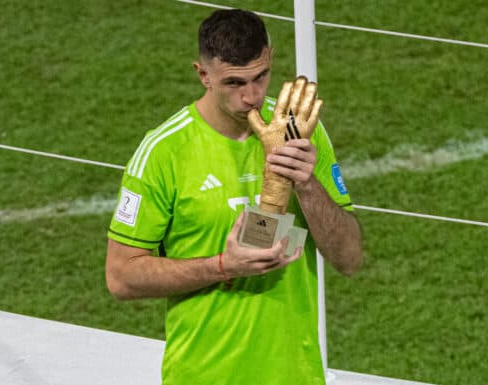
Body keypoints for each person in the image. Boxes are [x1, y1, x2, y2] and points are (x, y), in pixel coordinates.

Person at [105, 8, 362, 385]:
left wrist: (307, 184)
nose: (252, 96)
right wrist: (223, 266)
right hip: (203, 375)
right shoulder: (164, 151)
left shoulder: (299, 132)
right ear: (203, 75)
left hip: (295, 376)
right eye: (234, 83)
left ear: (270, 57)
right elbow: (121, 277)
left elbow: (350, 258)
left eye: (261, 77)